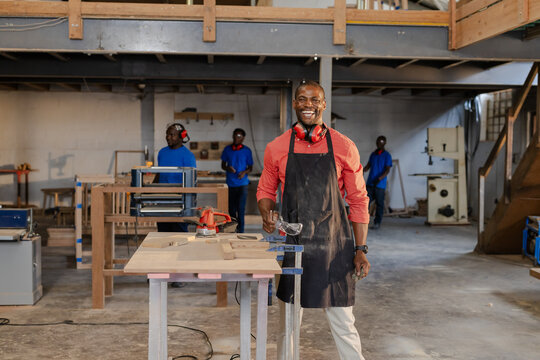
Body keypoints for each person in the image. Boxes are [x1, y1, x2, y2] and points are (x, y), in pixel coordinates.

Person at [257, 80, 370, 360]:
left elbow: (358, 200)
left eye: (315, 100)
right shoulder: (277, 147)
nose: (308, 105)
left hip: (336, 246)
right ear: (295, 104)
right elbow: (265, 190)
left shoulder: (344, 146)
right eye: (302, 99)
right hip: (294, 246)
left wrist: (361, 249)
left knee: (344, 323)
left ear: (323, 105)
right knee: (289, 326)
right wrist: (267, 212)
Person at [154, 122, 196, 233]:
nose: (168, 137)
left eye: (172, 135)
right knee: (162, 234)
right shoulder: (162, 152)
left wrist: (189, 204)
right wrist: (148, 191)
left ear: (181, 136)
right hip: (162, 201)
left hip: (179, 203)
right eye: (167, 134)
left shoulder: (188, 156)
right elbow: (159, 173)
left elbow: (191, 181)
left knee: (179, 235)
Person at [221, 128, 253, 233]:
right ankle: (232, 231)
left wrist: (244, 172)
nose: (236, 138)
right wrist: (228, 168)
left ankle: (241, 232)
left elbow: (250, 168)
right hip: (230, 184)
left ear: (243, 138)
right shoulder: (227, 150)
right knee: (231, 210)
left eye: (239, 136)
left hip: (242, 185)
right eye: (234, 135)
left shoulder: (247, 151)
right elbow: (223, 165)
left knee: (241, 210)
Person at [364, 136, 392, 230]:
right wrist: (359, 171)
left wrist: (379, 178)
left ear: (385, 143)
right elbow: (367, 167)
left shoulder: (387, 155)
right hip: (370, 183)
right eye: (378, 142)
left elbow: (387, 170)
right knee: (365, 203)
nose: (379, 143)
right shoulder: (373, 154)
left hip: (380, 184)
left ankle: (377, 223)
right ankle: (363, 221)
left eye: (381, 142)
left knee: (379, 204)